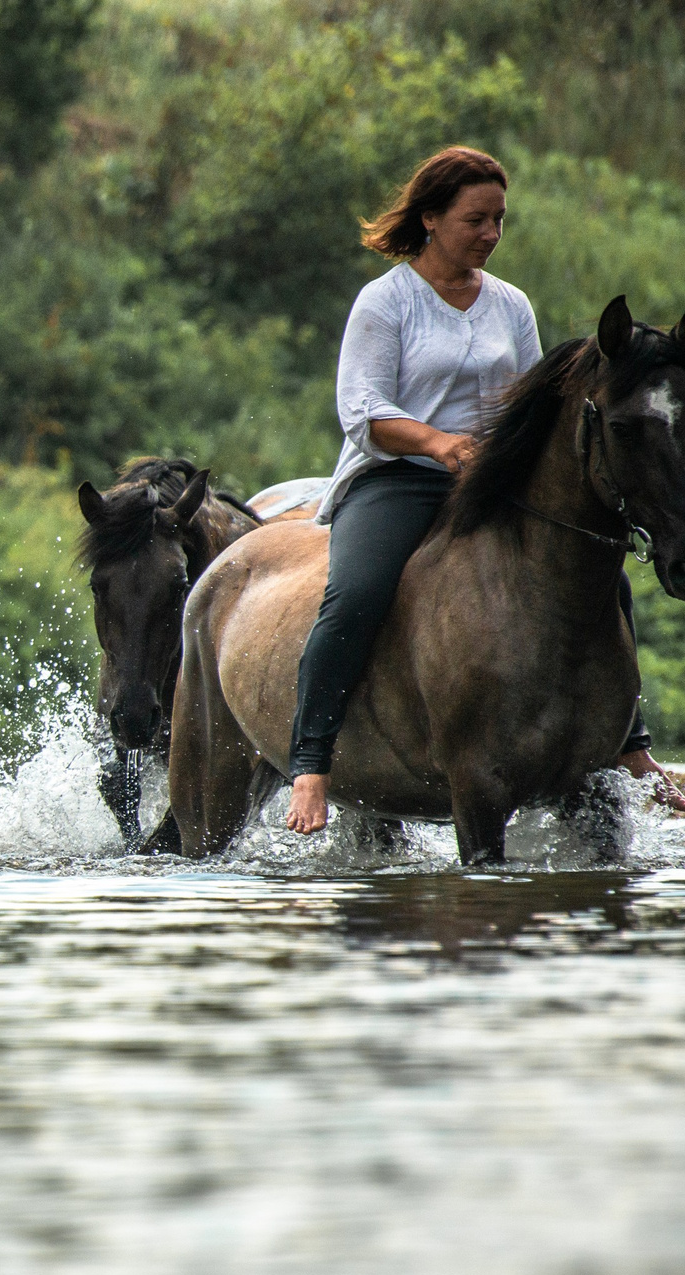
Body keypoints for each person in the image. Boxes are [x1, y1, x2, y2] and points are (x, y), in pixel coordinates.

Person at [288, 146, 676, 833]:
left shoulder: (510, 305)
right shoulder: (385, 303)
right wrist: (437, 443)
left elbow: (532, 405)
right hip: (398, 477)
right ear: (431, 218)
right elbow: (361, 408)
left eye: (500, 220)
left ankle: (632, 747)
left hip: (494, 480)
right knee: (358, 592)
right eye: (477, 220)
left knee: (604, 574)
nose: (492, 235)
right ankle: (311, 764)